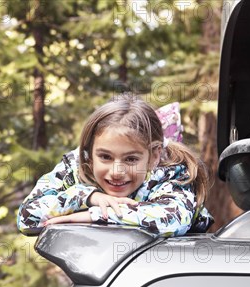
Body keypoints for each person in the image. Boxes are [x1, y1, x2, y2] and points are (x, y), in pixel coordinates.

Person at [17, 93, 213, 237]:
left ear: (153, 156)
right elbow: (27, 218)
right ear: (89, 154)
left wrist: (95, 215)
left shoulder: (171, 171)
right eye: (105, 157)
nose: (117, 172)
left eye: (131, 159)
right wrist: (86, 197)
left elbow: (173, 219)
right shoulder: (76, 166)